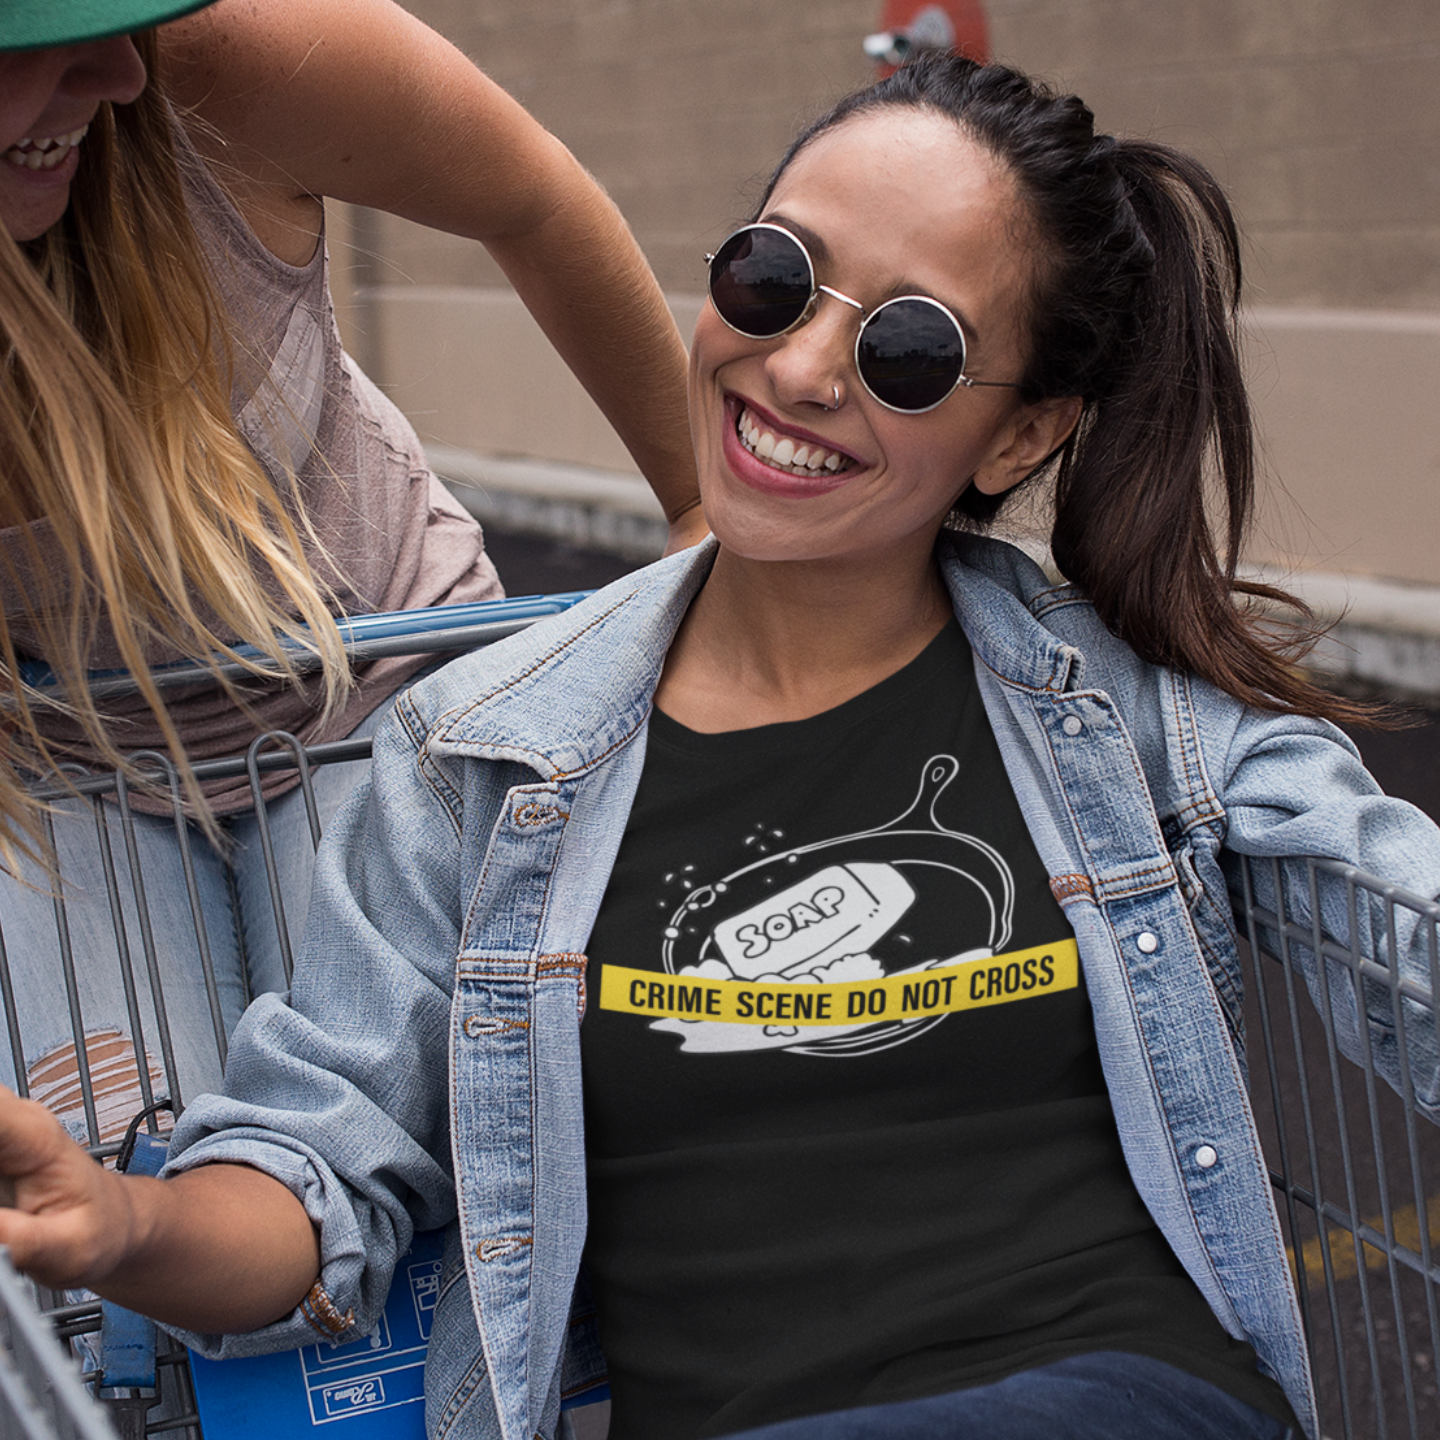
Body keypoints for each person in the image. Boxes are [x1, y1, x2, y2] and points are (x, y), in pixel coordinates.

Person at [1, 52, 1437, 1440]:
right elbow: (315, 1176)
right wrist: (119, 1219)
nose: (802, 365)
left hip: (1113, 1394)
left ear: (1022, 438)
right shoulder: (481, 758)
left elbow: (1398, 919)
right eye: (773, 277)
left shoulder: (1129, 716)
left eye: (908, 350)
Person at [0, 0, 700, 1133]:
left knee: (445, 1125)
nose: (121, 70)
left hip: (376, 685)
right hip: (73, 761)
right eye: (37, 34)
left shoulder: (226, 57)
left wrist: (699, 508)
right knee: (115, 1172)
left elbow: (531, 194)